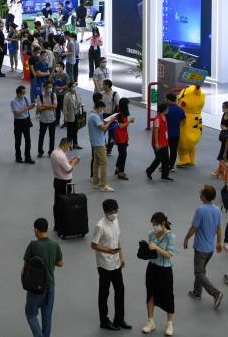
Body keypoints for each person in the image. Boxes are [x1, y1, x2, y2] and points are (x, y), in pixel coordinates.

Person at [183, 185, 224, 310]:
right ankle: (197, 292)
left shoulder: (200, 210)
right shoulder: (217, 210)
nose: (199, 194)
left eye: (201, 193)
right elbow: (219, 228)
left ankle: (216, 293)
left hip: (200, 248)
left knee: (199, 272)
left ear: (204, 196)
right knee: (201, 270)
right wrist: (219, 242)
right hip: (210, 249)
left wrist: (186, 238)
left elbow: (194, 227)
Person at [92, 198, 128, 331]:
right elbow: (93, 245)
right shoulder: (100, 226)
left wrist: (121, 256)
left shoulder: (116, 221)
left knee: (120, 290)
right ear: (106, 212)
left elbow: (117, 239)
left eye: (116, 210)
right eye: (113, 211)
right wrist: (108, 251)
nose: (115, 213)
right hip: (104, 264)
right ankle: (104, 320)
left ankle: (119, 318)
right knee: (104, 293)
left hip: (116, 262)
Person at [24, 217, 64, 337]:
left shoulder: (33, 245)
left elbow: (26, 265)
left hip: (36, 287)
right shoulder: (55, 245)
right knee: (47, 316)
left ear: (36, 230)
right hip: (50, 285)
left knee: (31, 314)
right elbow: (60, 263)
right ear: (47, 229)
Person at [143, 212, 176, 336]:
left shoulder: (170, 236)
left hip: (165, 270)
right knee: (150, 294)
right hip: (152, 268)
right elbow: (151, 254)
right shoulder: (151, 234)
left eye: (156, 224)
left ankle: (170, 324)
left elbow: (169, 255)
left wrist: (156, 248)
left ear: (163, 223)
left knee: (168, 296)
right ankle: (150, 322)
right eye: (153, 224)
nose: (154, 226)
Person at [88, 99, 118, 192]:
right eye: (102, 109)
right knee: (104, 163)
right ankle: (103, 184)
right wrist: (111, 121)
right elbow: (104, 128)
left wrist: (106, 121)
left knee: (96, 162)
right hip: (99, 143)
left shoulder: (92, 114)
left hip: (95, 142)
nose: (103, 111)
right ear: (99, 107)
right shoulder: (95, 117)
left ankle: (96, 182)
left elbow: (100, 124)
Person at [146, 103, 172, 182]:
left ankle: (165, 175)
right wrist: (156, 143)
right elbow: (156, 131)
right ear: (164, 110)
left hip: (164, 142)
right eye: (167, 109)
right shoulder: (157, 119)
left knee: (166, 159)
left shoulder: (164, 117)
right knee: (158, 159)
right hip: (158, 143)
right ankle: (149, 171)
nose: (168, 110)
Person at [112, 99, 134, 181]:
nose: (128, 106)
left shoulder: (123, 113)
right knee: (123, 154)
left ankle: (117, 169)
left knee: (121, 153)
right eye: (127, 104)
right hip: (120, 137)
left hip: (123, 136)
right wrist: (129, 121)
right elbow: (121, 126)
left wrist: (128, 122)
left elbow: (124, 125)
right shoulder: (119, 114)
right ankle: (121, 172)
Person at [12, 85, 34, 164]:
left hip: (26, 121)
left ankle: (28, 157)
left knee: (28, 140)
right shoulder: (13, 102)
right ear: (18, 93)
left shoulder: (25, 98)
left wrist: (32, 106)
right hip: (18, 122)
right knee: (18, 141)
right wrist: (27, 107)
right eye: (23, 93)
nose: (24, 94)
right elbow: (17, 113)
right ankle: (18, 157)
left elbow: (29, 107)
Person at [163, 94, 184, 174]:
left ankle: (164, 165)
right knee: (173, 150)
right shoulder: (180, 109)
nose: (165, 100)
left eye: (166, 99)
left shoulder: (165, 109)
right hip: (176, 133)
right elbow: (183, 120)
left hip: (165, 133)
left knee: (164, 150)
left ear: (169, 100)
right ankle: (171, 166)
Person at [36, 87, 58, 158]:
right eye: (48, 87)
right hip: (43, 120)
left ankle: (51, 151)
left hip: (52, 119)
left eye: (50, 87)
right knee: (41, 136)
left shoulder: (53, 95)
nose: (50, 89)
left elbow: (55, 106)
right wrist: (50, 106)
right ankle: (40, 152)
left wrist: (44, 105)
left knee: (52, 136)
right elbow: (39, 108)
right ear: (45, 88)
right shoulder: (40, 96)